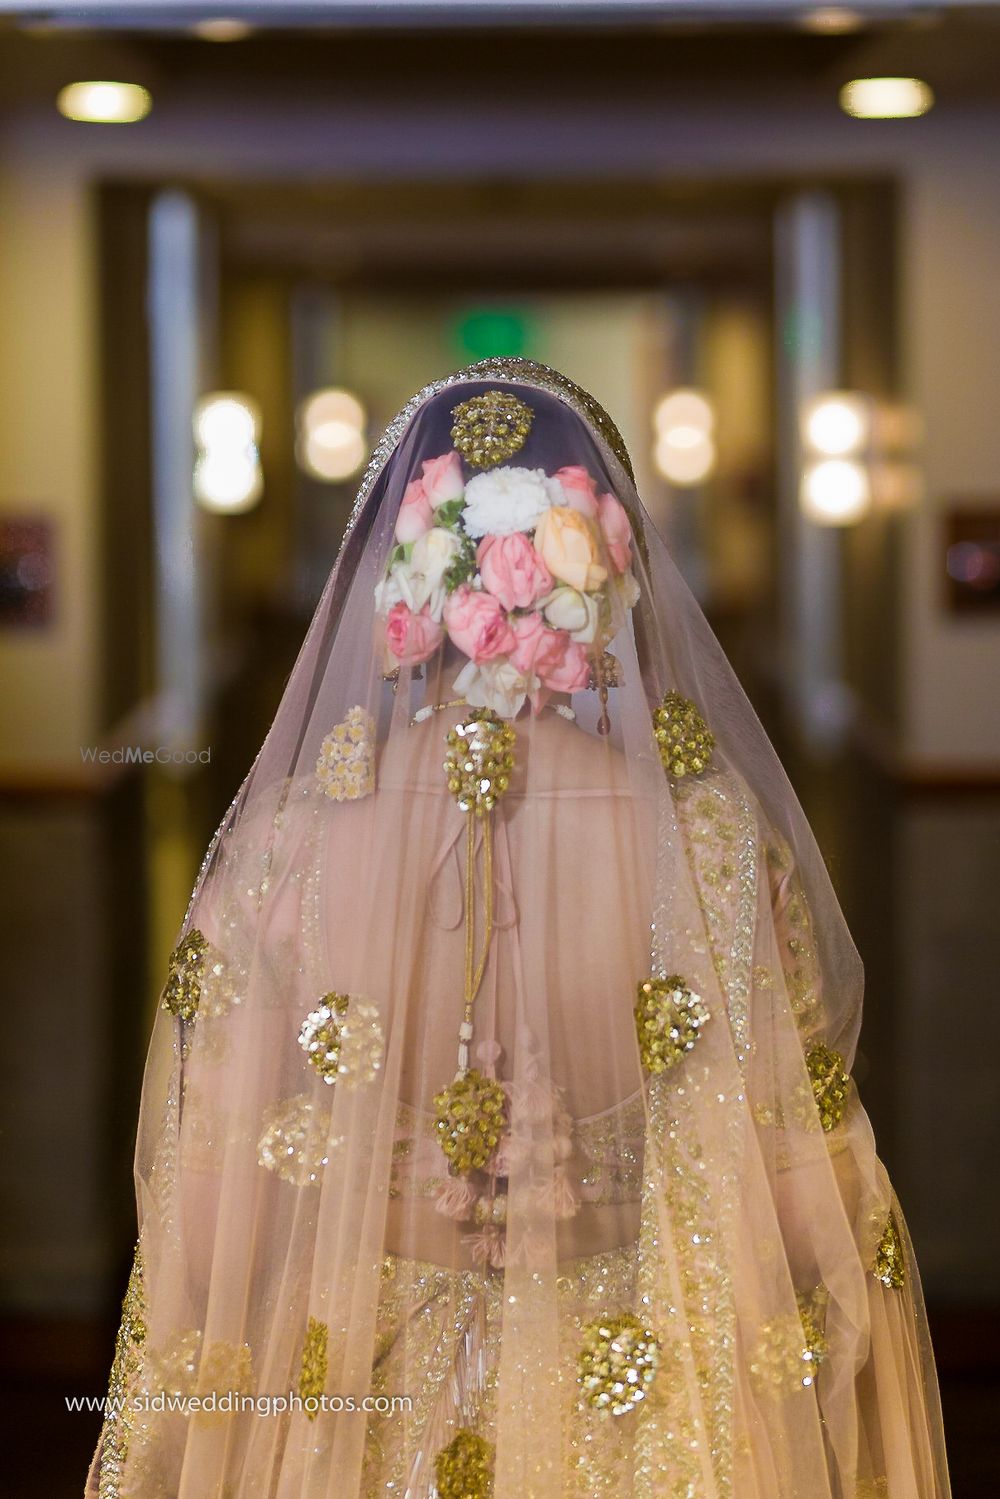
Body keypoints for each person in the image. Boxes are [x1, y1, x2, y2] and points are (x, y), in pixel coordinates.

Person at [88, 360, 950, 1499]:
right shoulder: (707, 844)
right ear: (604, 575)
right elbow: (815, 1212)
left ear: (398, 587)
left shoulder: (288, 848)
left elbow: (205, 1224)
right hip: (650, 1407)